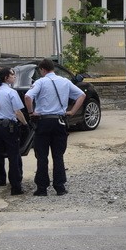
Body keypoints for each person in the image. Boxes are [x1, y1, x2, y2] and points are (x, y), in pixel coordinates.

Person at [23, 58, 85, 196]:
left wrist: (31, 112)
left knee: (42, 156)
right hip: (60, 121)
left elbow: (28, 97)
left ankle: (42, 188)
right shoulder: (64, 81)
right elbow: (82, 95)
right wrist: (72, 112)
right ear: (53, 68)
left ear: (42, 70)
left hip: (43, 122)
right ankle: (60, 186)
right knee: (58, 156)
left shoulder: (40, 82)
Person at [0, 66, 29, 196]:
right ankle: (15, 187)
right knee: (13, 157)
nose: (14, 77)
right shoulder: (11, 92)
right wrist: (25, 124)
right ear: (6, 78)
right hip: (9, 128)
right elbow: (17, 112)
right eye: (12, 75)